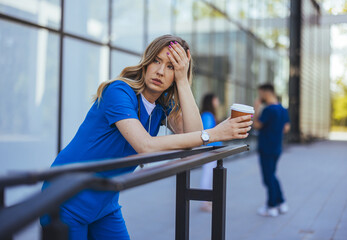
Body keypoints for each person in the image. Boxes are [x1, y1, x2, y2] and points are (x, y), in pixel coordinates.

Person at [40, 34, 253, 239]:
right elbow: (145, 145)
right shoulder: (119, 91)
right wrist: (215, 133)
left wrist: (183, 81)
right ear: (146, 62)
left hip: (105, 203)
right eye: (156, 61)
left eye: (171, 66)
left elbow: (193, 136)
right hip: (67, 198)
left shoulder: (162, 105)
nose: (160, 71)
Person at [253, 83, 290, 217]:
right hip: (277, 148)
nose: (259, 96)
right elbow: (286, 128)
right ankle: (281, 202)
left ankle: (271, 206)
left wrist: (256, 109)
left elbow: (256, 125)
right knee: (273, 175)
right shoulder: (282, 109)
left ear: (266, 92)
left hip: (266, 148)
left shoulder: (268, 110)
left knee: (268, 178)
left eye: (260, 93)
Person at [199, 93, 222, 212]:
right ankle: (204, 202)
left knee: (209, 175)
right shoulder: (207, 115)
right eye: (216, 99)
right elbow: (207, 133)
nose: (218, 101)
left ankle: (206, 201)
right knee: (207, 175)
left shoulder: (210, 114)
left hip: (213, 151)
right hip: (210, 151)